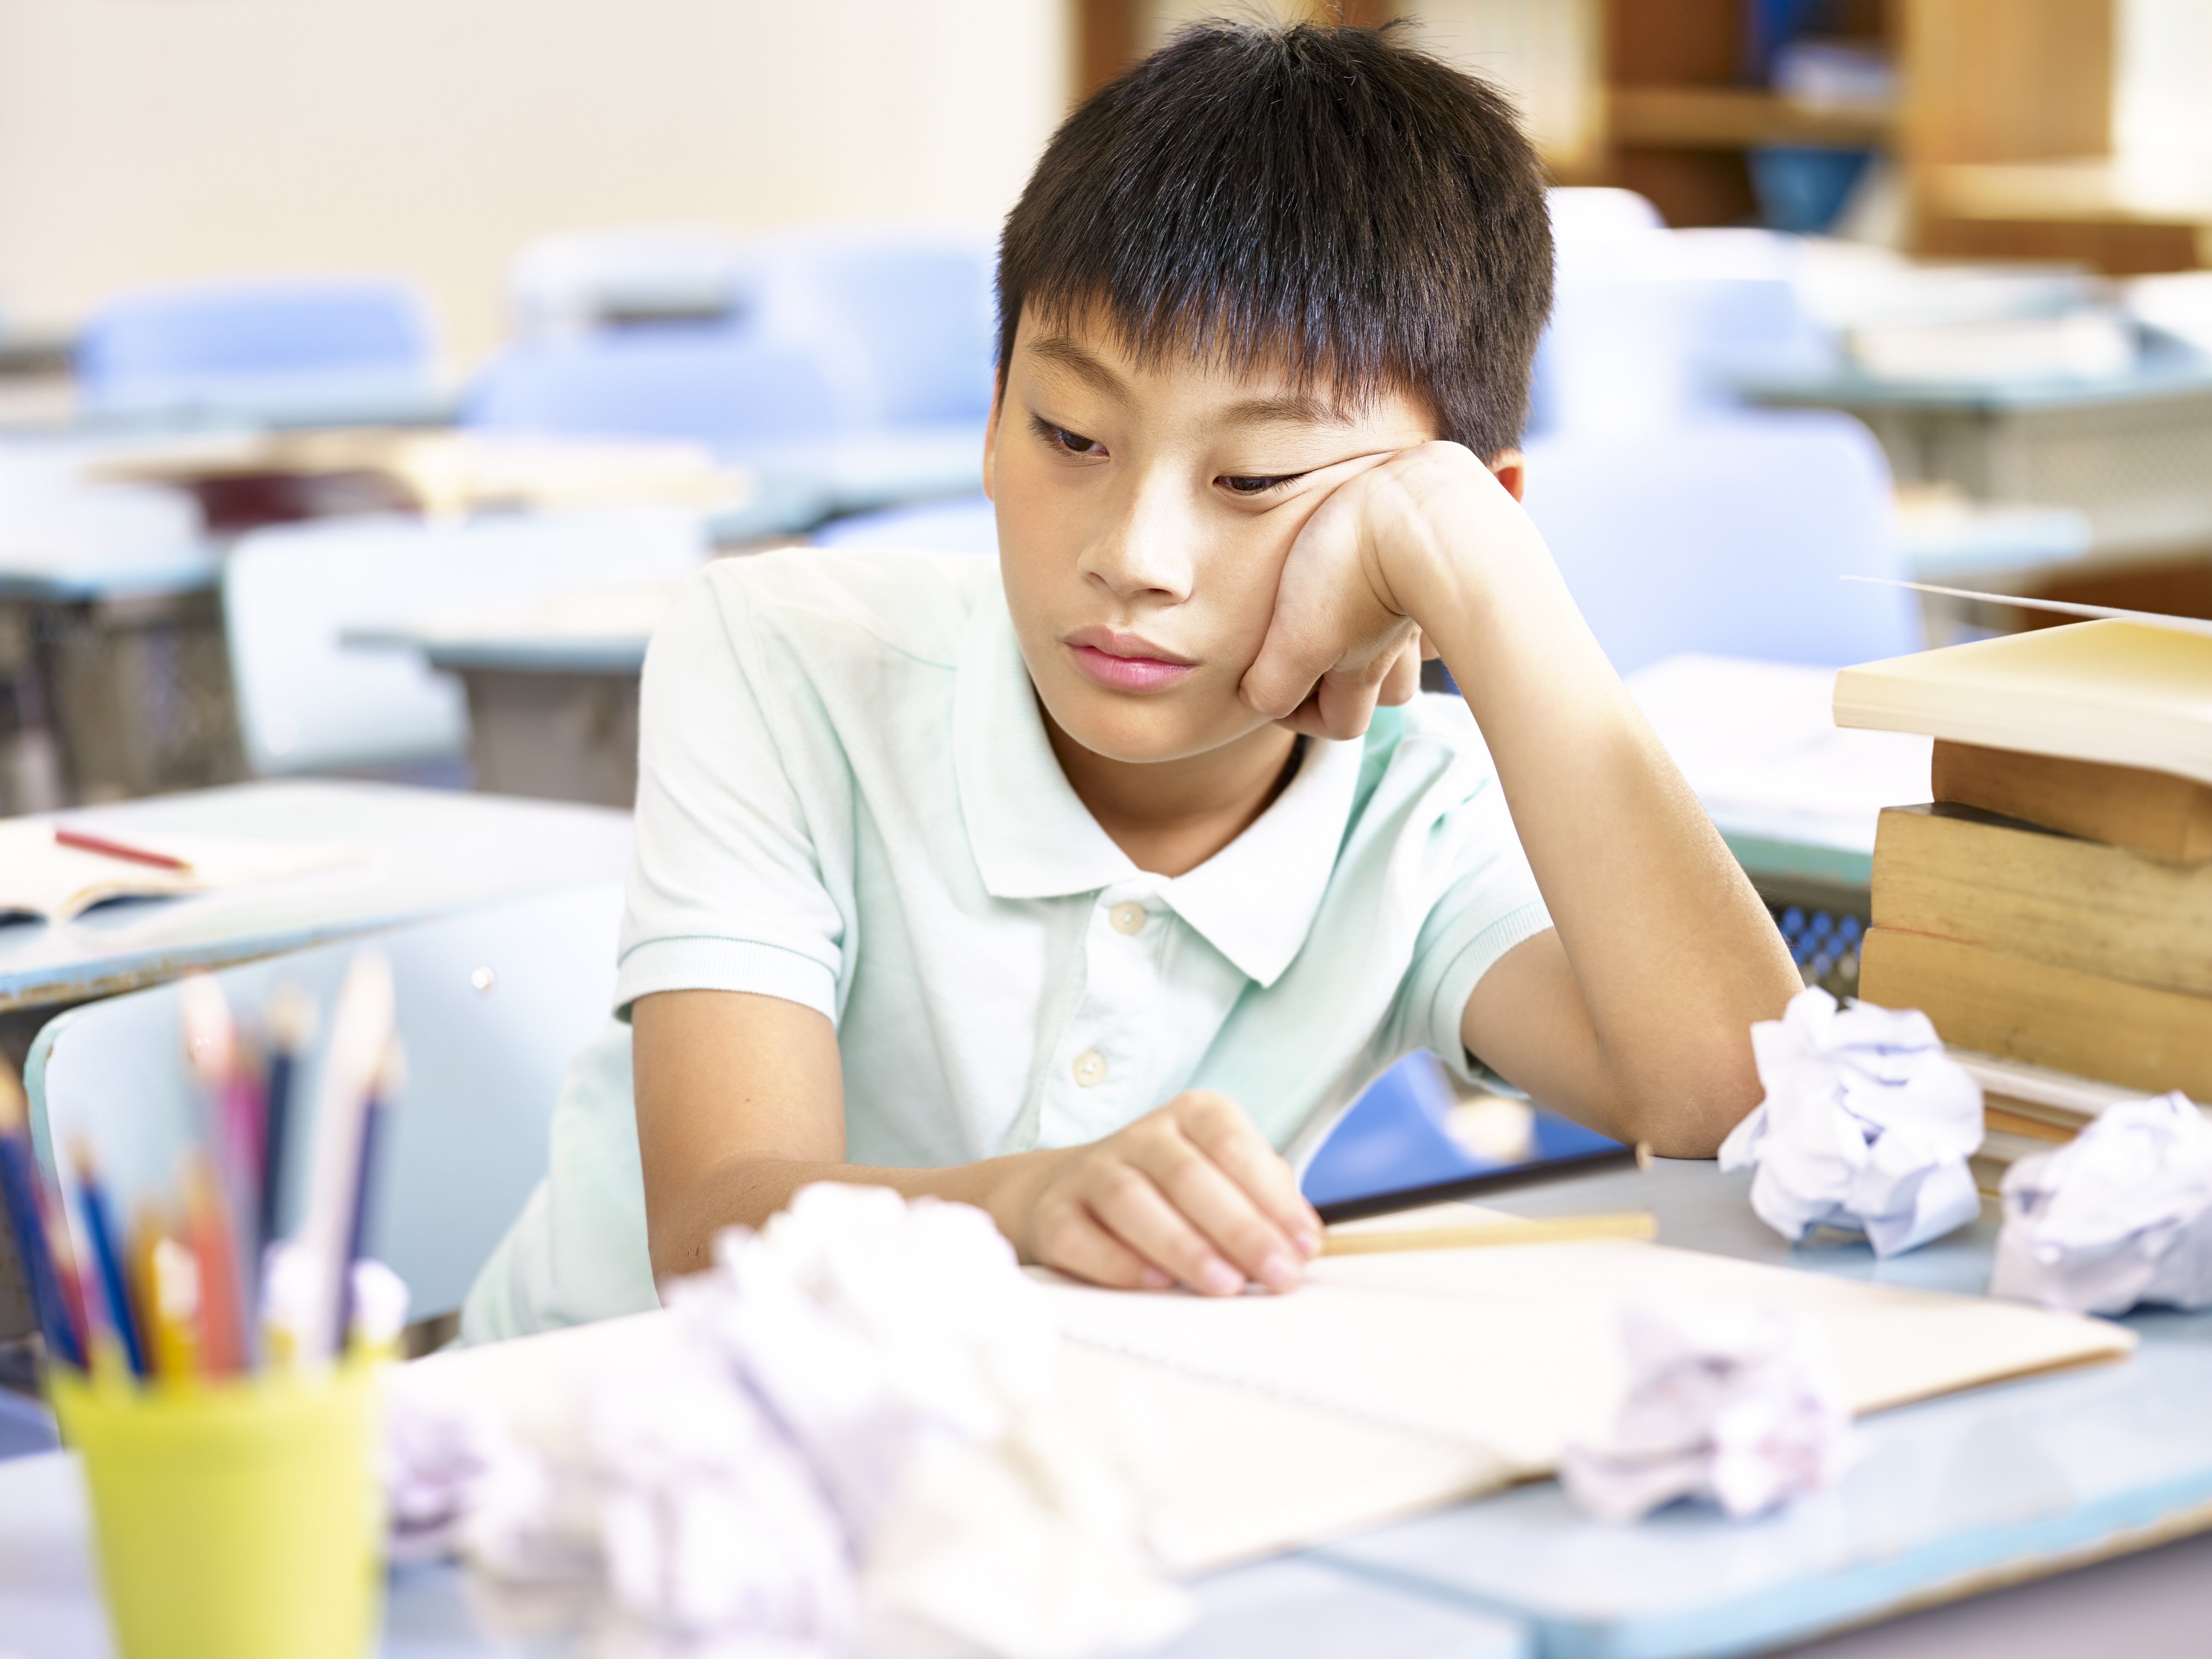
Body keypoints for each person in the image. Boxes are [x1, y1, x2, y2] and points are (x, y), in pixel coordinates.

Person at [461, 19, 1800, 1342]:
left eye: (1256, 480)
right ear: (992, 422)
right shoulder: (782, 654)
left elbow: (1746, 1107)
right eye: (1070, 434)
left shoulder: (1417, 819)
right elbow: (716, 1228)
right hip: (574, 1445)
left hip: (992, 1473)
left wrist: (1487, 583)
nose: (1134, 556)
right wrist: (1026, 1209)